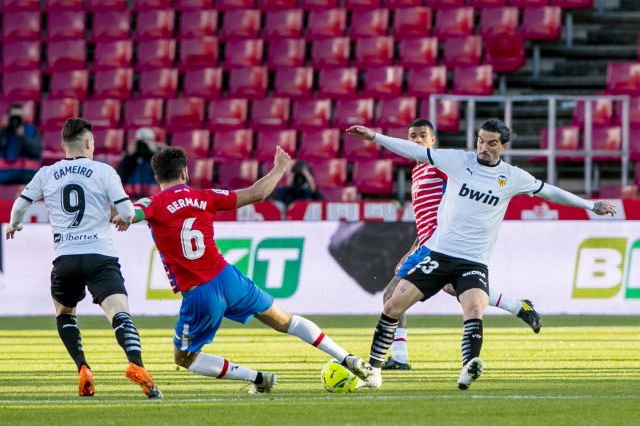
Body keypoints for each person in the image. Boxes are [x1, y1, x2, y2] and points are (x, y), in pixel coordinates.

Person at [346, 119, 615, 390]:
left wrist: (590, 205)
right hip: (438, 253)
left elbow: (550, 192)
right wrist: (375, 136)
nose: (483, 148)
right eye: (480, 141)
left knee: (474, 308)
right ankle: (374, 373)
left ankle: (467, 368)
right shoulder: (457, 161)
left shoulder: (512, 177)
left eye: (491, 143)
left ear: (504, 146)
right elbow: (414, 151)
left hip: (473, 260)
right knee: (392, 305)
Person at [112, 146, 371, 394]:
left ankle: (257, 378)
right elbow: (257, 193)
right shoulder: (205, 196)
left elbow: (132, 213)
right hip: (227, 278)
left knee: (184, 358)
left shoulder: (153, 203)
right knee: (285, 320)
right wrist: (280, 168)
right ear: (185, 173)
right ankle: (346, 357)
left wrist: (124, 217)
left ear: (156, 177)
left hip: (199, 293)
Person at [5, 118, 162, 399]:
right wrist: (121, 218)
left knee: (65, 314)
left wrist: (14, 225)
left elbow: (19, 205)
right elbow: (127, 213)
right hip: (100, 256)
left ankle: (83, 368)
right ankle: (136, 364)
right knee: (119, 313)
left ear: (63, 144)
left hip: (65, 258)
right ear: (89, 142)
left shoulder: (46, 173)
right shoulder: (104, 171)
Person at [380, 118, 541, 371]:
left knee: (392, 294)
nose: (417, 140)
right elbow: (427, 216)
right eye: (413, 136)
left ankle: (399, 356)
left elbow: (462, 188)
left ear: (433, 140)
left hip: (444, 245)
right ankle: (519, 306)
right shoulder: (418, 171)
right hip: (427, 242)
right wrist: (413, 246)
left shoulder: (438, 166)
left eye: (423, 135)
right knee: (455, 289)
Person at [0, 103, 42, 184]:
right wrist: (3, 129)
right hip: (5, 174)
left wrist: (23, 136)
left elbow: (37, 152)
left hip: (27, 175)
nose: (16, 120)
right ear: (9, 117)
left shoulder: (31, 130)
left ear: (23, 117)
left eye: (18, 117)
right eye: (13, 117)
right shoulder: (3, 132)